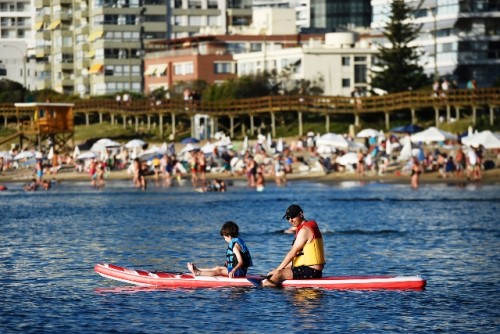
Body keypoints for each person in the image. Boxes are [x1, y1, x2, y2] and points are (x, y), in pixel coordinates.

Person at [262, 204, 325, 287]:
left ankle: (263, 288)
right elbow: (299, 256)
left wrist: (278, 271)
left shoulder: (304, 230)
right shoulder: (307, 227)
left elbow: (292, 253)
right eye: (288, 218)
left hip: (311, 271)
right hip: (309, 269)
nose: (290, 220)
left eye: (293, 217)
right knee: (279, 272)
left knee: (279, 274)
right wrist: (283, 269)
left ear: (301, 214)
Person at [187, 221, 253, 278]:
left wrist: (233, 270)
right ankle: (197, 269)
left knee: (219, 271)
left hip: (239, 272)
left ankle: (198, 273)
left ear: (229, 236)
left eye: (224, 237)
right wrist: (229, 263)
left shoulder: (235, 247)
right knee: (217, 267)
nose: (224, 239)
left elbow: (241, 262)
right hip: (237, 270)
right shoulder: (237, 242)